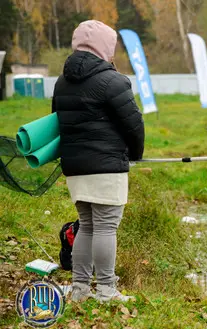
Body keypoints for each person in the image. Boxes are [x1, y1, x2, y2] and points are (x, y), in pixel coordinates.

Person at [52, 20, 145, 302]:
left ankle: (80, 289)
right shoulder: (113, 80)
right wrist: (135, 155)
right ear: (104, 47)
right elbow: (134, 124)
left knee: (87, 225)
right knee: (105, 226)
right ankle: (106, 289)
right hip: (106, 166)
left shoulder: (61, 81)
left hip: (75, 167)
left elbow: (57, 120)